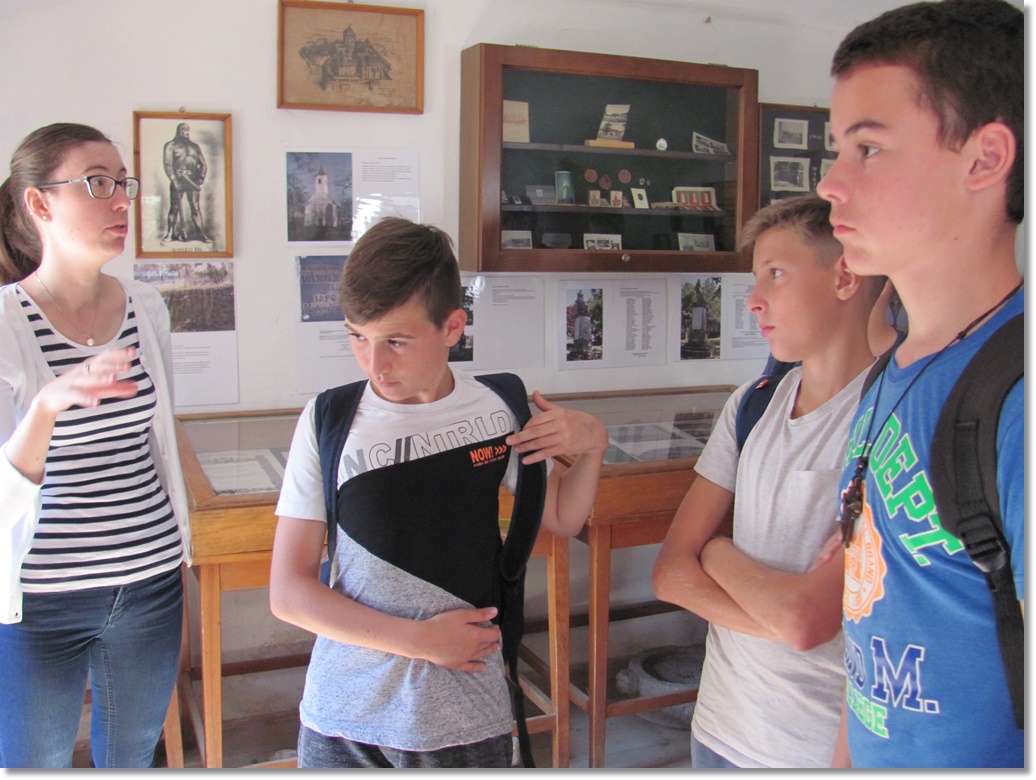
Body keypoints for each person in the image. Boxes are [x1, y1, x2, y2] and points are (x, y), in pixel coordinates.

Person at [269, 216, 608, 768]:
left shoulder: (499, 408)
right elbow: (288, 591)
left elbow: (561, 516)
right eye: (358, 337)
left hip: (464, 715)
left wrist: (593, 446)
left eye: (396, 341)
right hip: (344, 718)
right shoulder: (329, 418)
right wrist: (419, 641)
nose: (375, 364)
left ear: (453, 327)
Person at [816, 0, 1023, 767]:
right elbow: (874, 626)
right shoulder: (894, 370)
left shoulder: (1015, 399)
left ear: (984, 158)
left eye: (868, 149)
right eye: (837, 149)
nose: (830, 184)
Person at [652, 193, 888, 768]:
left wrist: (718, 552)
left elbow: (807, 619)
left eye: (776, 274)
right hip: (720, 728)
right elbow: (670, 573)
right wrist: (778, 619)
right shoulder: (752, 405)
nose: (754, 301)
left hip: (813, 746)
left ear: (845, 277)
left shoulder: (890, 417)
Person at [0, 123, 191, 767]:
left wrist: (179, 554)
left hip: (150, 584)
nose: (120, 201)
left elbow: (158, 444)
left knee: (133, 757)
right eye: (97, 183)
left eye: (123, 184)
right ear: (40, 203)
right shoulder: (5, 322)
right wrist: (47, 406)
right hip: (40, 599)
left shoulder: (146, 307)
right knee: (34, 762)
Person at [161, 122, 210, 244]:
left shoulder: (195, 147)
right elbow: (167, 164)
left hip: (192, 180)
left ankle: (200, 233)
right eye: (183, 130)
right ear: (178, 131)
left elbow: (203, 165)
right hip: (178, 179)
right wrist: (174, 179)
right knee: (175, 207)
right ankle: (170, 233)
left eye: (187, 130)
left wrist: (200, 178)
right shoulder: (171, 145)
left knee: (195, 207)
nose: (185, 132)